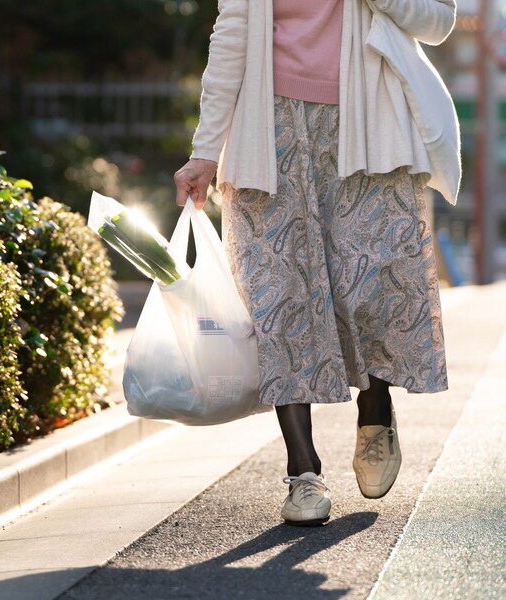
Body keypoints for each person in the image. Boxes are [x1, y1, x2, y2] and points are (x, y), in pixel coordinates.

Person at [173, 0, 459, 526]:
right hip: (269, 132)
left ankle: (375, 407)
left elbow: (439, 22)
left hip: (369, 124)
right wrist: (205, 149)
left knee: (374, 284)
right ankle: (303, 474)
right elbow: (231, 37)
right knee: (280, 300)